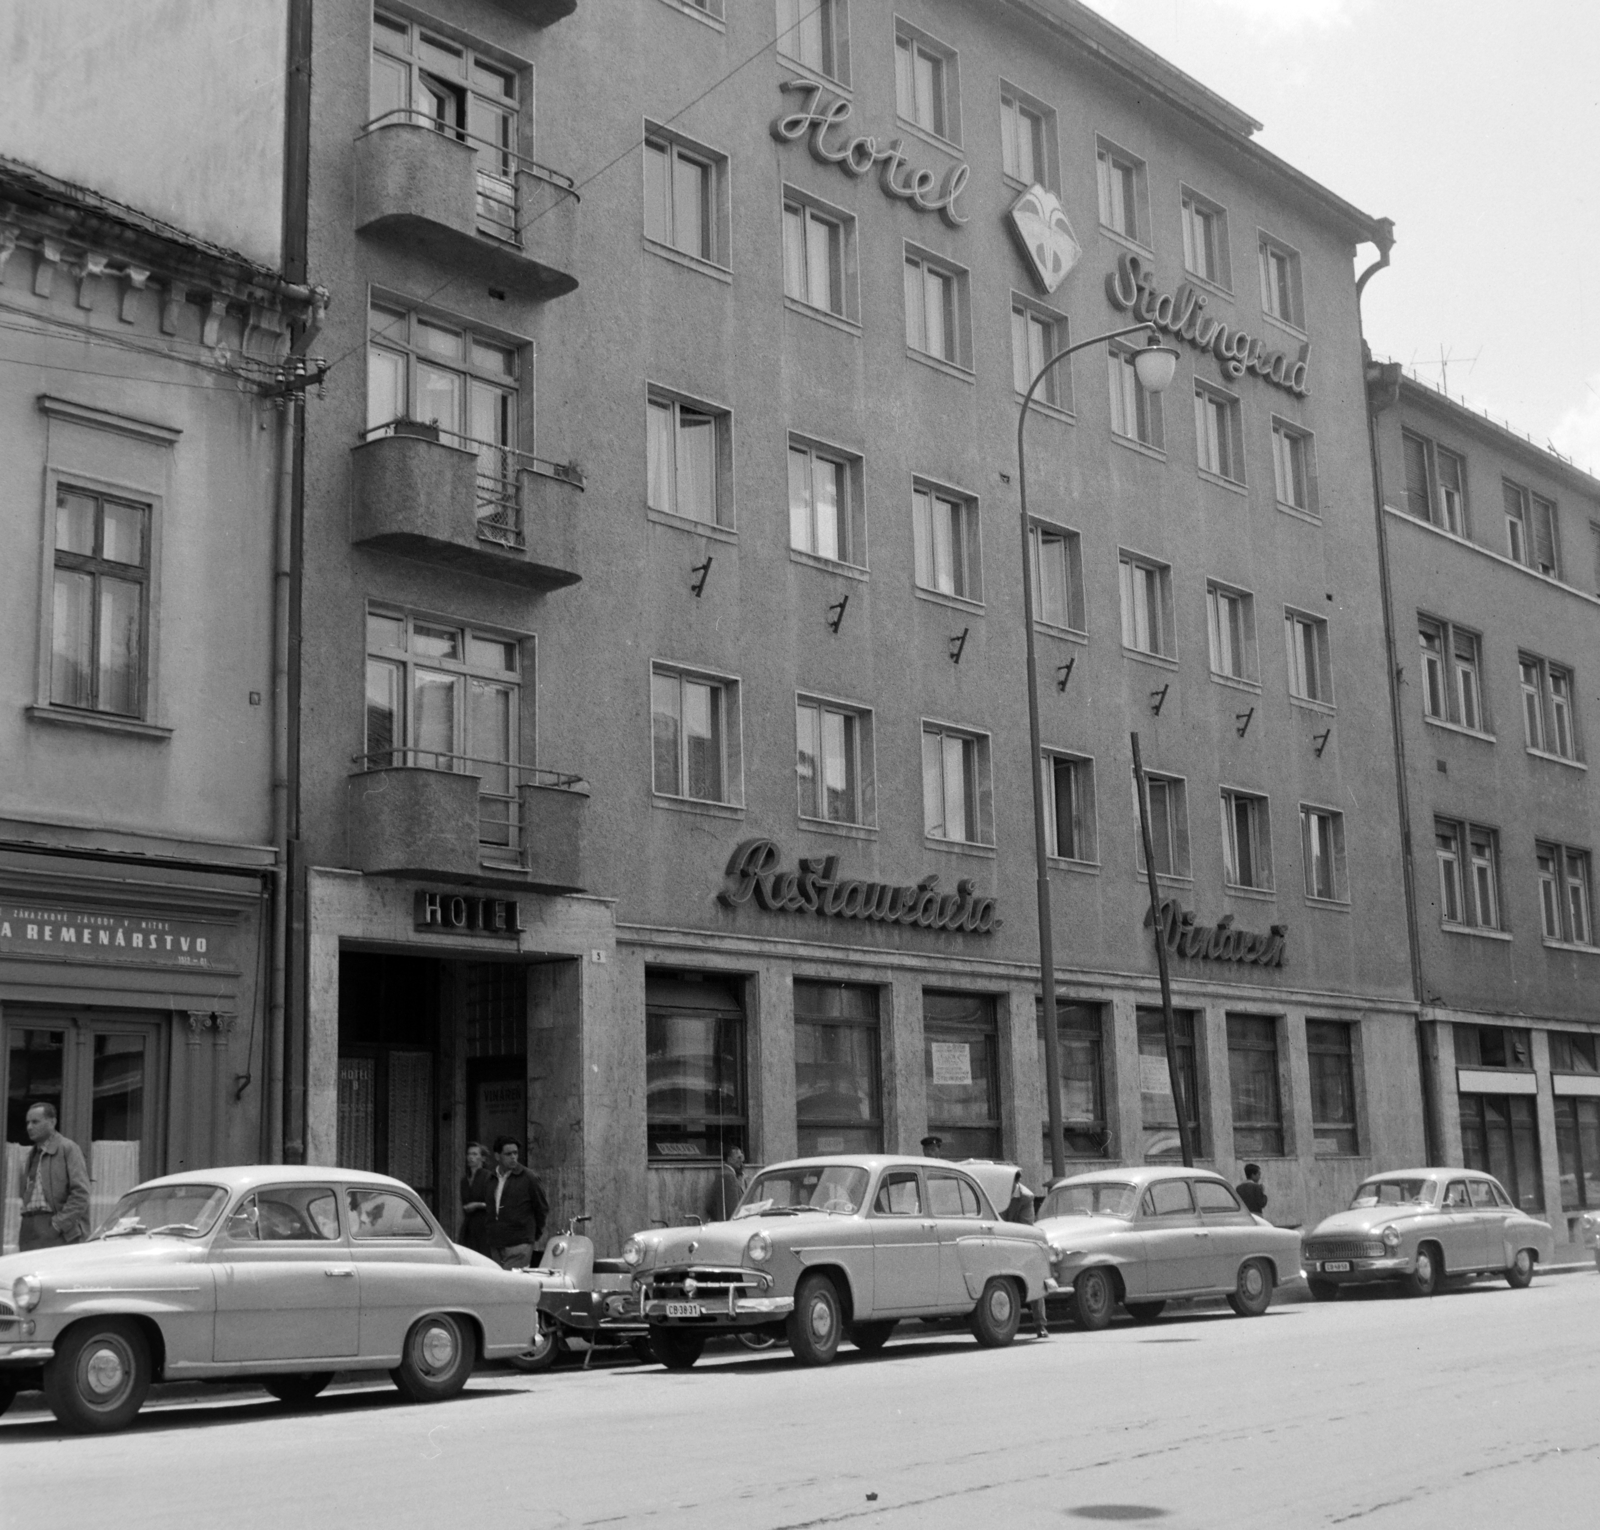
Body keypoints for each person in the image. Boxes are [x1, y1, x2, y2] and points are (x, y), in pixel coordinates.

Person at [16, 1101, 90, 1252]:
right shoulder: (31, 1154)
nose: (29, 1127)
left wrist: (58, 1225)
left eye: (35, 1122)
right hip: (29, 1225)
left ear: (52, 1122)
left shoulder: (67, 1148)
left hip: (54, 1225)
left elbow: (81, 1194)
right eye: (28, 1122)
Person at [1001, 1169, 1050, 1339]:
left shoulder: (1026, 1197)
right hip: (999, 1243)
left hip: (1021, 1243)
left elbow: (1025, 1227)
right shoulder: (995, 1193)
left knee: (1034, 1277)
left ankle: (1040, 1324)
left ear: (1016, 1182)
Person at [485, 1136, 548, 1270]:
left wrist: (531, 1235)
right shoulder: (491, 1178)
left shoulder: (529, 1178)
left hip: (519, 1243)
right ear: (497, 1156)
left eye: (515, 1153)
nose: (513, 1157)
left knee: (511, 1283)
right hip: (496, 1242)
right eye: (508, 1154)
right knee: (499, 1283)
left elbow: (541, 1208)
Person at [459, 1141, 491, 1254]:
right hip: (469, 1226)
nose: (471, 1157)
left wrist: (477, 1205)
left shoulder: (488, 1177)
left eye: (475, 1154)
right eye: (469, 1154)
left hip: (484, 1226)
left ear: (482, 1158)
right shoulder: (464, 1180)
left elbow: (495, 1204)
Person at [705, 1145, 747, 1223]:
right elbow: (733, 1209)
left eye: (742, 1158)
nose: (741, 1161)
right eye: (738, 1158)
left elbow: (709, 1206)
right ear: (729, 1159)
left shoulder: (725, 1174)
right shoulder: (728, 1176)